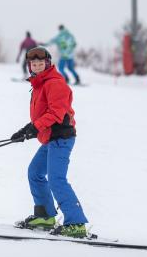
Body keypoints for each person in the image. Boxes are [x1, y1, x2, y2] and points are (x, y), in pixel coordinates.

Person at [11, 47, 88, 238]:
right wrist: (27, 129)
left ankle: (76, 223)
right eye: (33, 64)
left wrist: (34, 128)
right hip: (50, 138)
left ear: (48, 63)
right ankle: (45, 216)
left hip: (61, 138)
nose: (37, 66)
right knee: (35, 173)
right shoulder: (39, 83)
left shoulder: (55, 83)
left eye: (40, 63)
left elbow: (56, 113)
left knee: (56, 179)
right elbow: (42, 114)